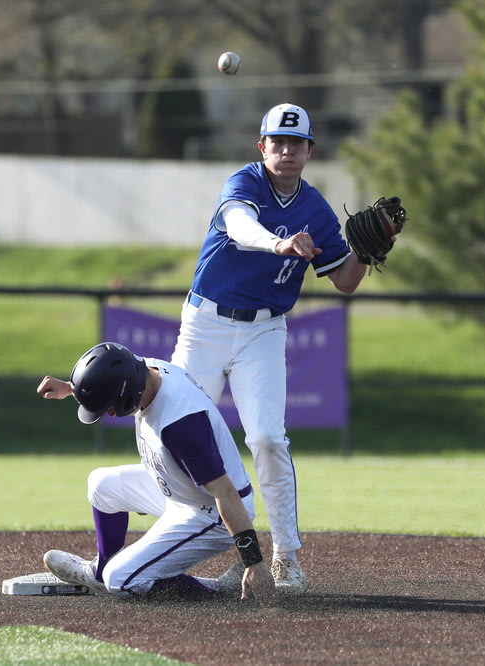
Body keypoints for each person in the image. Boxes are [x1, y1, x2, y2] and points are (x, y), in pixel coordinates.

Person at [170, 103, 383, 593]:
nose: (286, 151)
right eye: (277, 142)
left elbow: (345, 281)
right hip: (205, 324)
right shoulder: (244, 183)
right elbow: (241, 225)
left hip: (264, 332)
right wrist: (278, 244)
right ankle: (194, 548)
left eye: (296, 144)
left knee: (267, 439)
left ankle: (287, 557)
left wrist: (367, 251)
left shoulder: (316, 209)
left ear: (310, 151)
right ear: (261, 147)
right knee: (177, 436)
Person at [37, 341, 276, 601]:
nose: (112, 413)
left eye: (110, 406)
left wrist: (254, 563)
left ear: (126, 392)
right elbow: (115, 373)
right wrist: (75, 389)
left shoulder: (181, 424)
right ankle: (99, 572)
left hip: (211, 512)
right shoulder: (145, 370)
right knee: (101, 483)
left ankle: (218, 589)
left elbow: (226, 493)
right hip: (180, 488)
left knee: (120, 581)